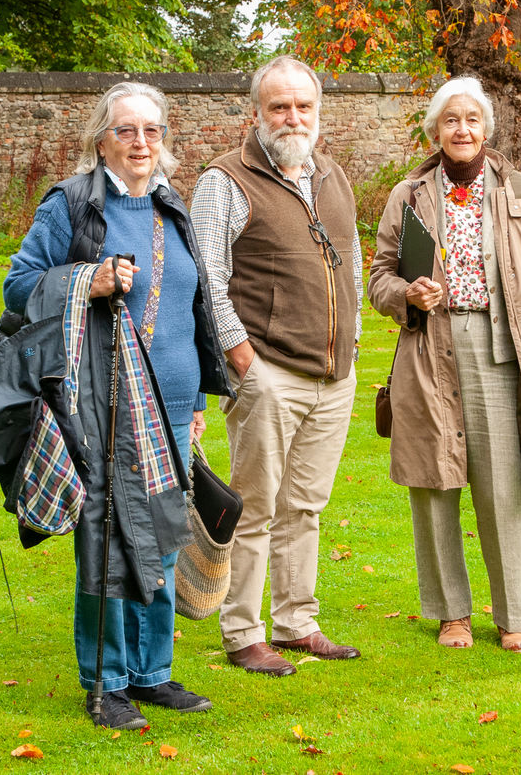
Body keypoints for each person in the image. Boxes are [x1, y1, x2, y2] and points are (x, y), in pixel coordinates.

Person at [2, 82, 231, 728]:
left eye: (152, 130)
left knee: (162, 538)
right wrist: (88, 279)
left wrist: (197, 398)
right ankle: (105, 683)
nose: (140, 142)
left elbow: (189, 306)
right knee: (106, 540)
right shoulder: (73, 205)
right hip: (102, 404)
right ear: (100, 140)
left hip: (173, 405)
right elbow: (18, 285)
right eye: (126, 130)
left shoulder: (169, 204)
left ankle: (152, 673)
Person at [367, 75, 521, 654]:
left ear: (486, 128)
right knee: (435, 484)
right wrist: (407, 294)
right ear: (435, 130)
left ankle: (513, 615)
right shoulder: (408, 194)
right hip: (429, 347)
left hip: (500, 347)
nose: (462, 129)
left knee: (502, 489)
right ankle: (451, 613)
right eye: (451, 120)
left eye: (472, 119)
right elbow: (379, 277)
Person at [191, 56, 363, 677]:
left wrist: (352, 342)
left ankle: (296, 621)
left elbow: (352, 260)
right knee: (257, 508)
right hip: (267, 372)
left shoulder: (331, 175)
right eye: (280, 106)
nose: (293, 117)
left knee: (305, 506)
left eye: (304, 106)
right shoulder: (225, 181)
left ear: (318, 111)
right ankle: (243, 632)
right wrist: (241, 357)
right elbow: (207, 279)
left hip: (333, 375)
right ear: (256, 113)